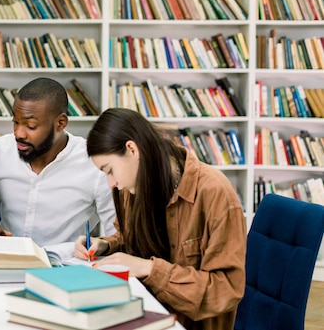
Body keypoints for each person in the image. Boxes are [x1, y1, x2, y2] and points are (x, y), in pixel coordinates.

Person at [74, 108, 246, 330]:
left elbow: (225, 291)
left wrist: (150, 269)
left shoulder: (214, 192)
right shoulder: (133, 183)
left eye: (110, 170)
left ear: (132, 149)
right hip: (143, 311)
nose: (111, 183)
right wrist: (106, 244)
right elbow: (129, 237)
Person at [0, 77, 116, 248]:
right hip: (7, 262)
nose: (18, 133)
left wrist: (103, 245)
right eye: (15, 122)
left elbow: (117, 234)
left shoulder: (95, 164)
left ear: (60, 123)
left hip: (66, 268)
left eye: (30, 126)